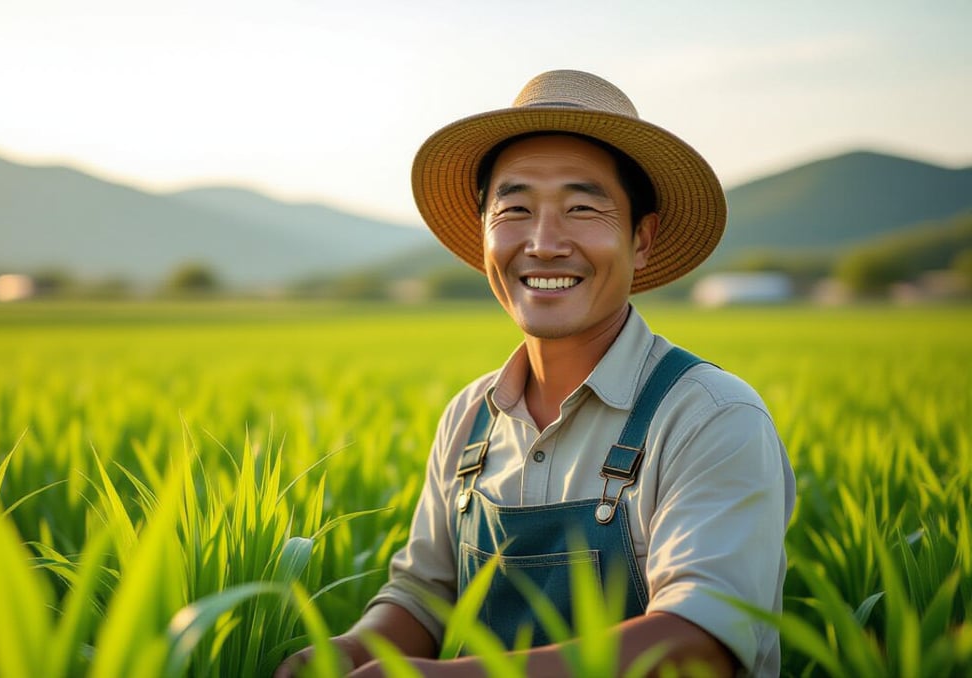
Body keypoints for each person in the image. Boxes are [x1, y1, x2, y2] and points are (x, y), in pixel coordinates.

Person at [275, 69, 795, 677]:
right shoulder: (470, 417)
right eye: (515, 209)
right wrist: (349, 654)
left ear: (643, 238)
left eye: (581, 208)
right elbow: (424, 597)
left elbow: (698, 640)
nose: (545, 243)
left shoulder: (710, 416)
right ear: (485, 236)